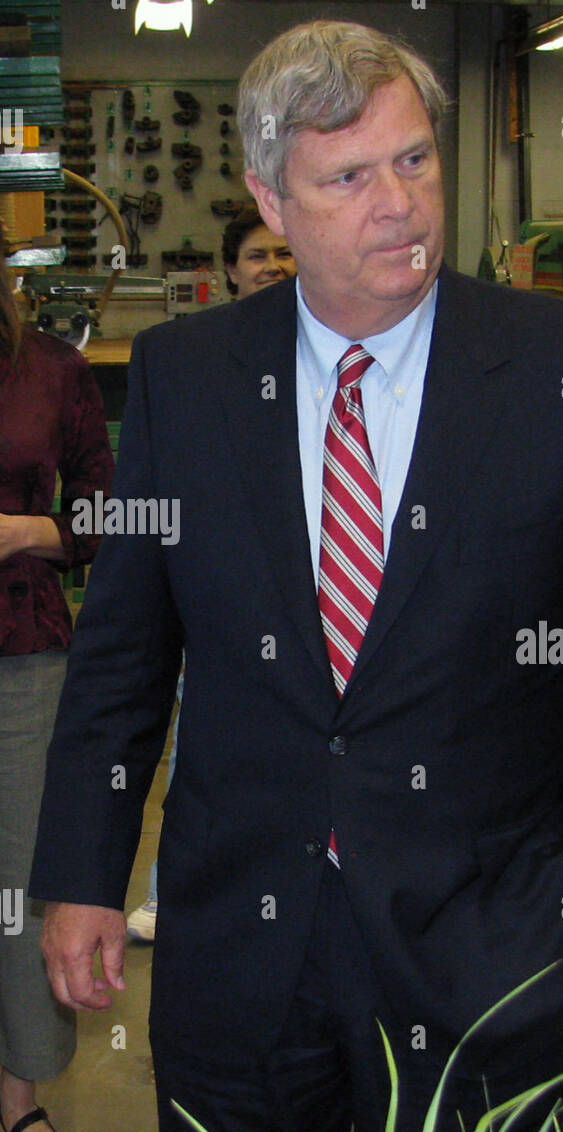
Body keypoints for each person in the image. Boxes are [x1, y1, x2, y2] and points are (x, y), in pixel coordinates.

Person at [30, 20, 563, 1132]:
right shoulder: (186, 378)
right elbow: (123, 649)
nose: (400, 208)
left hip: (488, 948)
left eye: (415, 163)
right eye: (349, 179)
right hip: (240, 946)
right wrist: (79, 872)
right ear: (269, 196)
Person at [126, 204, 295, 943]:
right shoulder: (191, 367)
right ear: (230, 270)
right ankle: (171, 895)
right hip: (220, 611)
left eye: (283, 253)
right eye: (258, 255)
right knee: (194, 745)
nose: (273, 267)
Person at [0, 237, 114, 1132]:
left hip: (21, 660)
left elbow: (115, 511)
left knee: (17, 888)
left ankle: (19, 1098)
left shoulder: (52, 371)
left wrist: (29, 533)